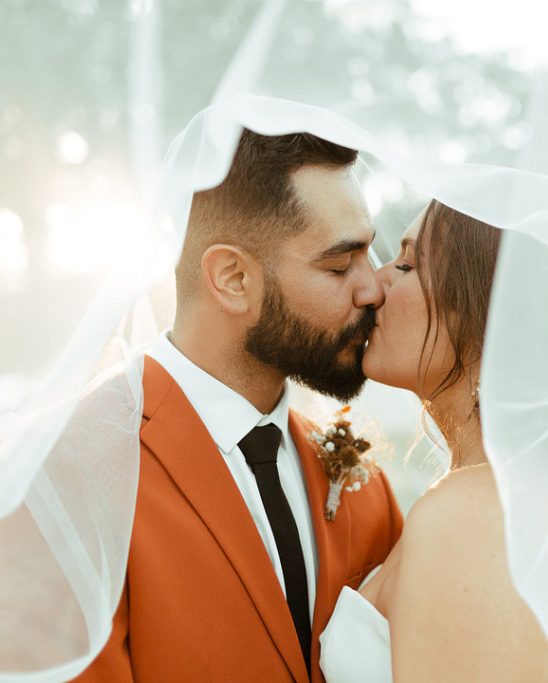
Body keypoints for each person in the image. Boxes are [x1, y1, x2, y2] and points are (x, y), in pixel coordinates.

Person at [75, 129, 404, 682]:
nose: (373, 288)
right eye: (338, 264)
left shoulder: (363, 484)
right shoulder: (73, 470)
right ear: (233, 278)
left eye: (369, 253)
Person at [319, 201, 548, 682]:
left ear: (485, 319)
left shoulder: (471, 516)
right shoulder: (509, 495)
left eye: (408, 265)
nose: (374, 285)